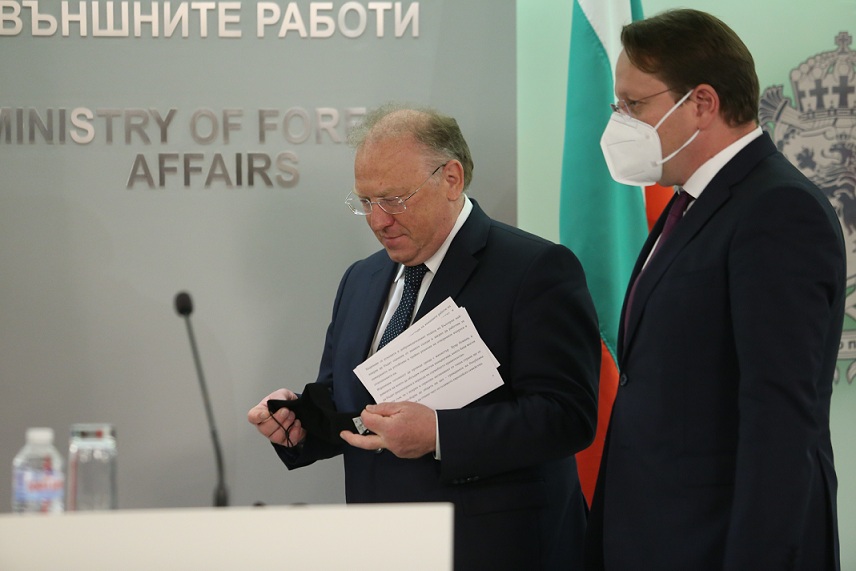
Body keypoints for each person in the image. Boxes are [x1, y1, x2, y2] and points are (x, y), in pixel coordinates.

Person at [248, 103, 601, 570]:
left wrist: (438, 433)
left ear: (451, 179)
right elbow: (352, 405)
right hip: (383, 548)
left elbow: (568, 416)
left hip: (494, 548)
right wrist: (299, 425)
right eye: (366, 202)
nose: (378, 220)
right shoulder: (361, 279)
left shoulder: (534, 269)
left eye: (394, 199)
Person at [586, 9, 845, 571]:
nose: (620, 121)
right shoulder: (689, 201)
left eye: (633, 104)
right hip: (659, 536)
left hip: (722, 543)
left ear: (702, 103)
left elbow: (779, 418)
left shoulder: (778, 209)